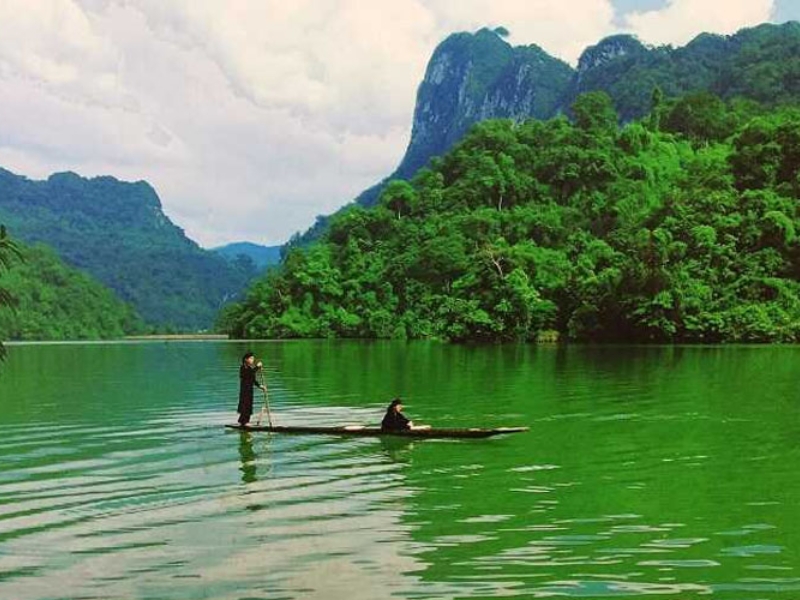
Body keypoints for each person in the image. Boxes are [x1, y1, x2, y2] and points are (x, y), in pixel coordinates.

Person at [237, 352, 264, 426]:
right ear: (246, 359)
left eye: (253, 358)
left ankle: (244, 422)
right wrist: (257, 367)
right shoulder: (243, 368)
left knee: (249, 406)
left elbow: (252, 379)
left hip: (250, 390)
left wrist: (260, 386)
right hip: (244, 391)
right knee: (245, 406)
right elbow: (249, 374)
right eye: (251, 358)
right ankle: (244, 422)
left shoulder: (249, 368)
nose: (253, 360)